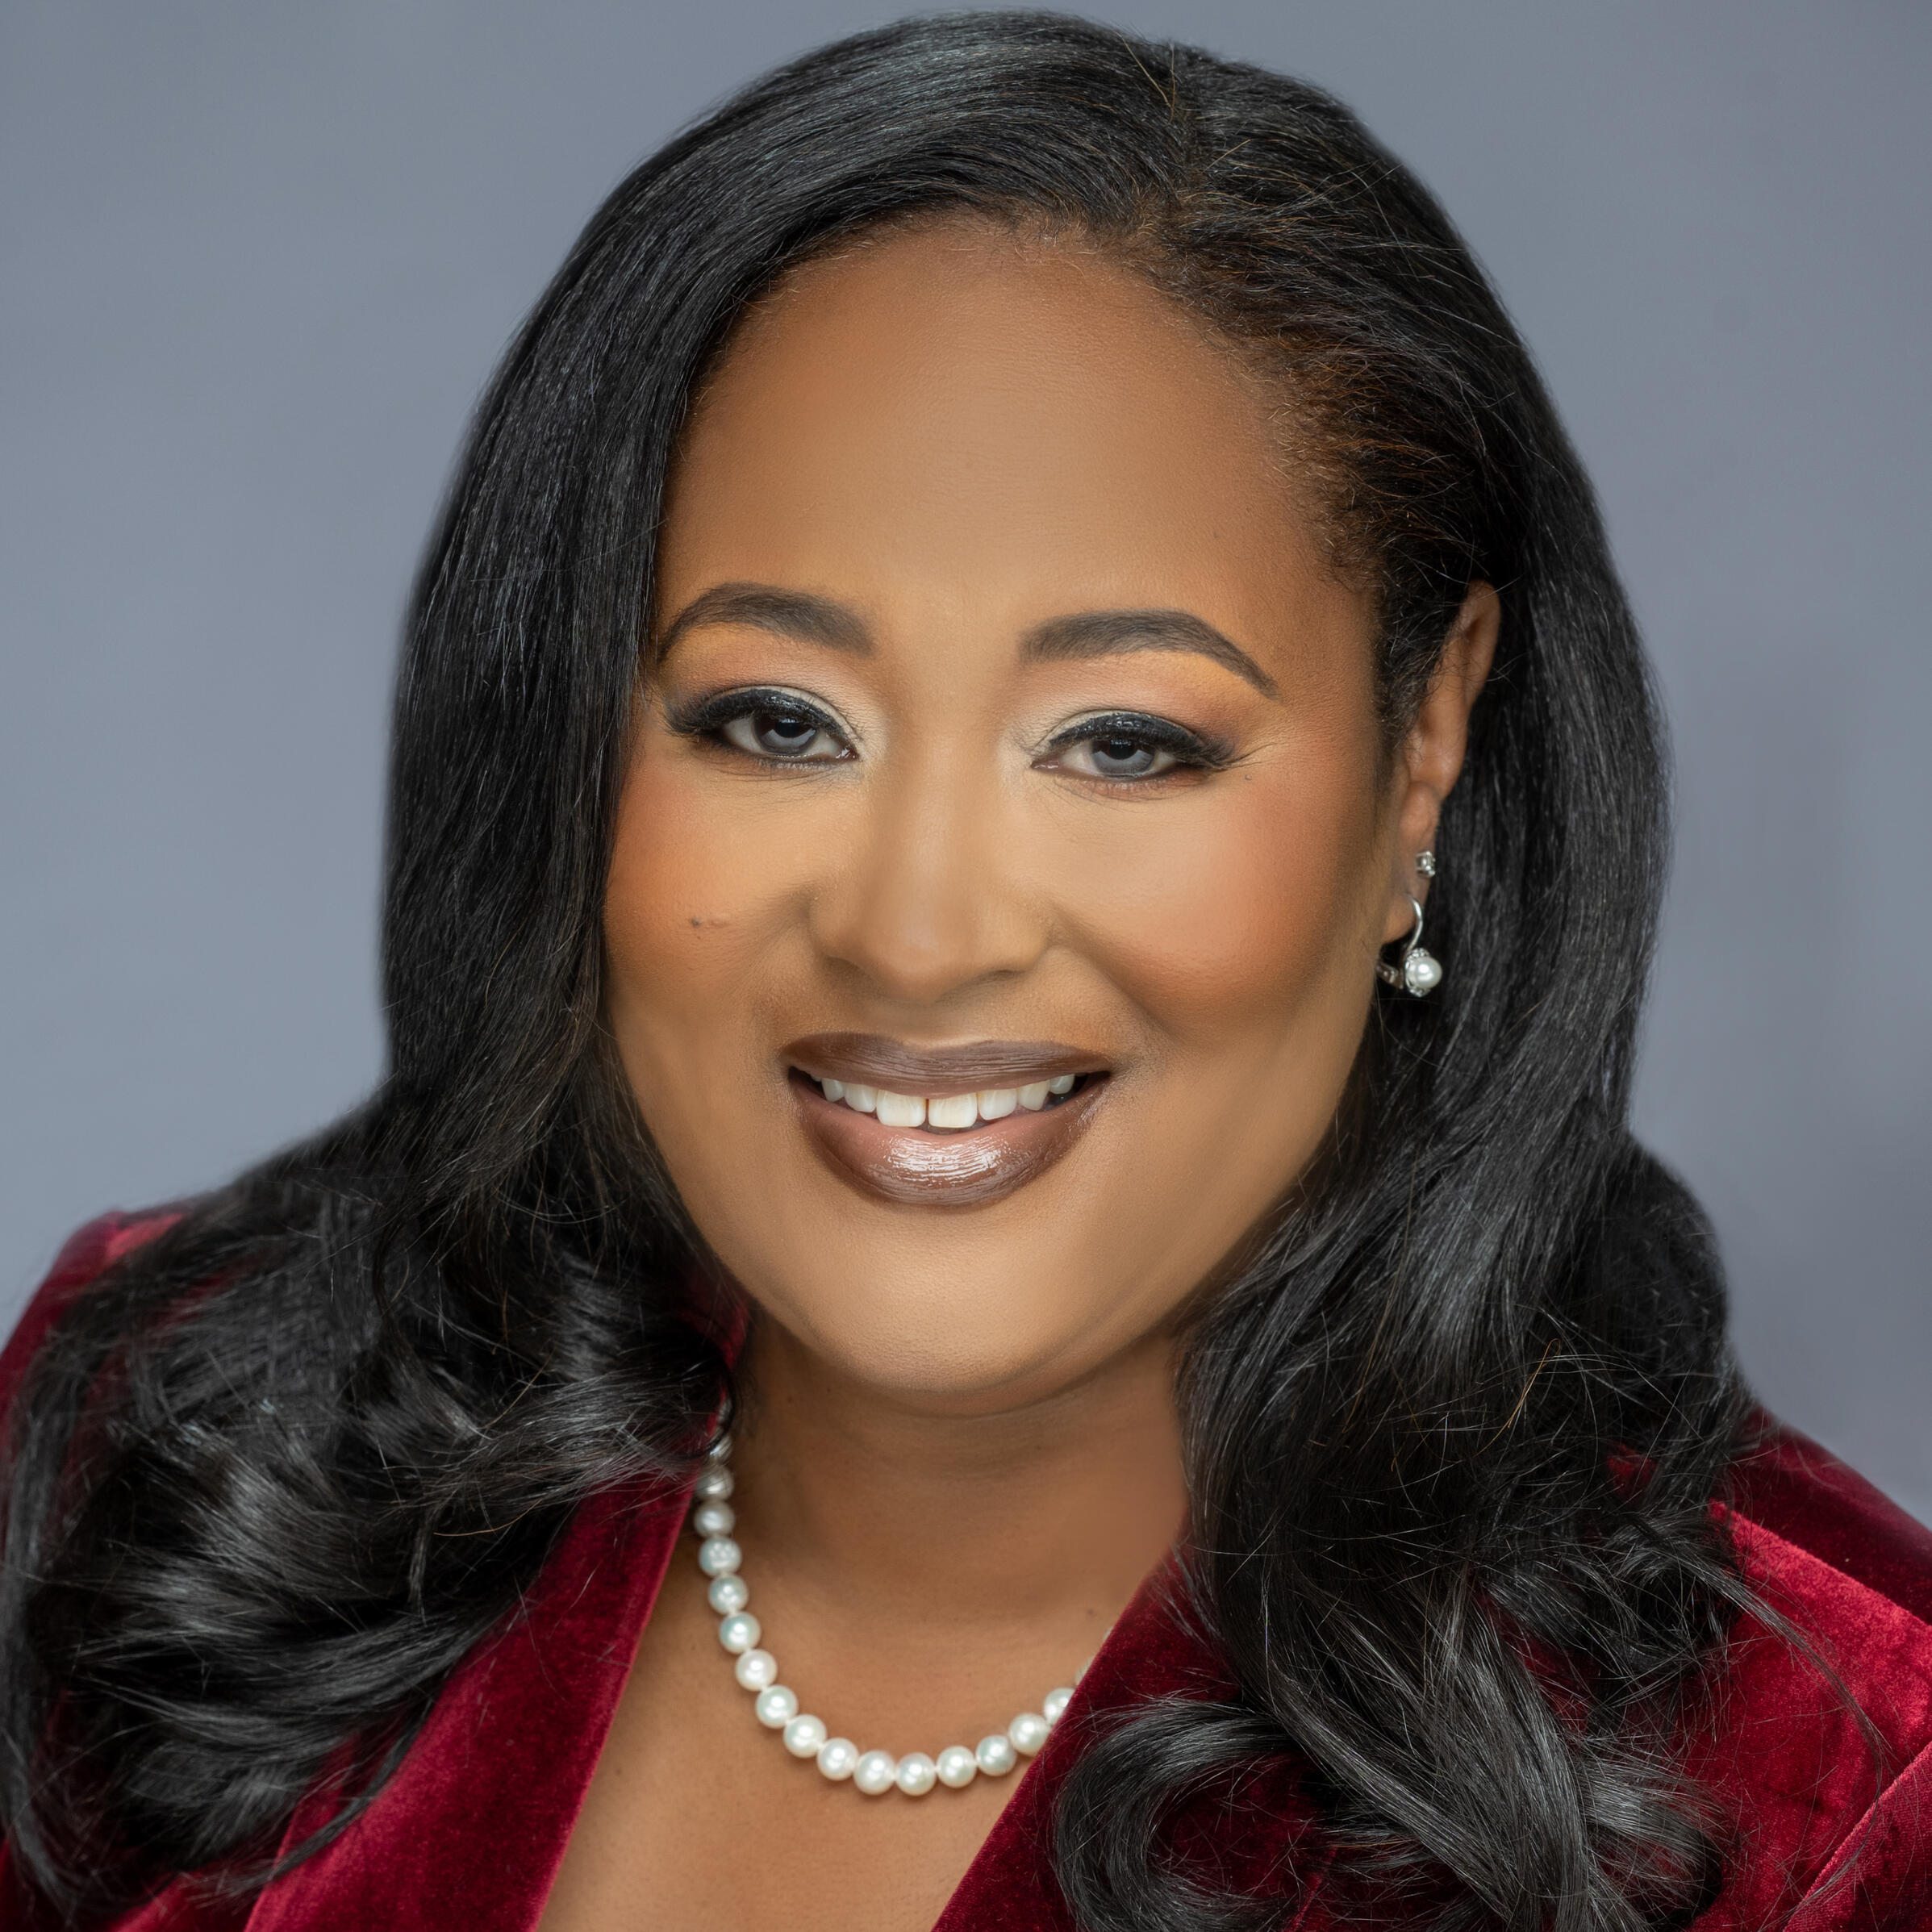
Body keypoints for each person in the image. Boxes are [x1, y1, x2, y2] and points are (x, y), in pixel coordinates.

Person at [2, 15, 1927, 1931]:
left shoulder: (1837, 1784)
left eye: (1123, 741)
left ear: (1423, 741)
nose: (917, 931)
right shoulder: (155, 1454)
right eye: (775, 719)